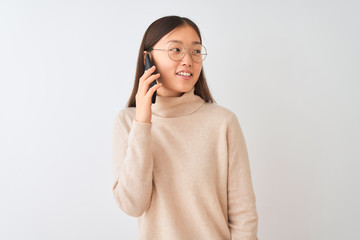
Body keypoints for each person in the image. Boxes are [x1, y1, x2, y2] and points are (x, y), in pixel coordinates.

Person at [112, 15, 258, 240]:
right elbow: (133, 205)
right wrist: (143, 120)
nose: (188, 60)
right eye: (176, 50)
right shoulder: (127, 122)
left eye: (196, 51)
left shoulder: (223, 122)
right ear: (148, 59)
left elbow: (243, 216)